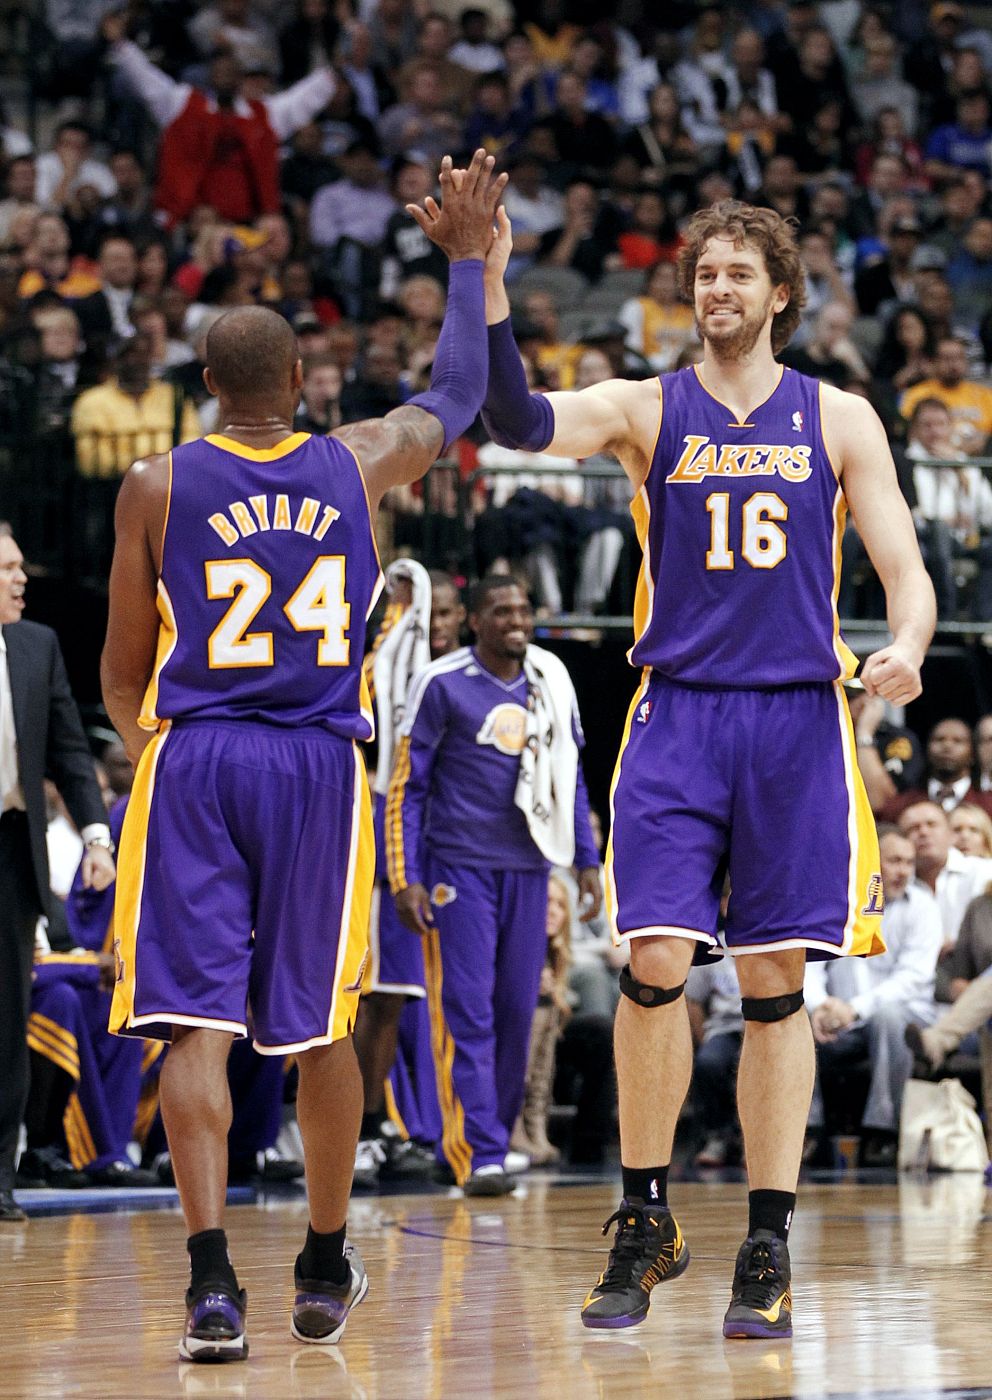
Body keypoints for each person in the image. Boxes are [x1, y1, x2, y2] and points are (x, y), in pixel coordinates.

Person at [474, 196, 934, 1338]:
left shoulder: (838, 417)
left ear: (779, 292)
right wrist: (485, 281)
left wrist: (908, 650)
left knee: (776, 975)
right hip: (675, 711)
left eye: (737, 274)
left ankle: (766, 1235)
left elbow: (903, 567)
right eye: (704, 274)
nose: (715, 289)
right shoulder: (643, 406)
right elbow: (516, 418)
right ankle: (644, 1215)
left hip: (792, 720)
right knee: (653, 954)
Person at [99, 150, 504, 1361]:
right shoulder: (357, 459)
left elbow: (121, 673)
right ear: (301, 380)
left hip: (198, 756)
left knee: (191, 1024)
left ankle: (212, 1280)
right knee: (323, 1023)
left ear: (206, 381)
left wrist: (156, 754)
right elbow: (458, 394)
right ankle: (324, 1256)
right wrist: (468, 259)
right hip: (320, 765)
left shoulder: (153, 483)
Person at [386, 575, 602, 1197]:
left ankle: (496, 1141)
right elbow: (408, 787)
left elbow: (571, 777)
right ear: (474, 621)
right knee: (467, 1010)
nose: (517, 619)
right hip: (459, 871)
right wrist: (407, 878)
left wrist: (585, 861)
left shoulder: (551, 681)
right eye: (502, 610)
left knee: (517, 1012)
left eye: (524, 609)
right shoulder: (441, 683)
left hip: (532, 869)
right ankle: (476, 1149)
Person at [0, 523, 115, 1223]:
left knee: (9, 1017)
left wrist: (97, 835)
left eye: (19, 565)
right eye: (7, 569)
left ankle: (0, 1181)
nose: (21, 579)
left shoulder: (36, 646)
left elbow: (72, 752)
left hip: (12, 847)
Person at [352, 562, 464, 1189]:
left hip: (428, 840)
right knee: (372, 996)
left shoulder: (453, 682)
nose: (440, 625)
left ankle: (390, 1122)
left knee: (402, 998)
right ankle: (363, 1130)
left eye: (450, 614)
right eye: (432, 613)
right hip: (375, 826)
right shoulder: (389, 669)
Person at [805, 826, 943, 1168]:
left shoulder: (922, 905)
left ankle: (883, 1132)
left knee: (889, 1017)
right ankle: (808, 1129)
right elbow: (811, 965)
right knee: (794, 1018)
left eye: (909, 862)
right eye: (894, 861)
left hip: (906, 1014)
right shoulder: (837, 902)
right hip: (840, 1017)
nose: (903, 871)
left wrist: (855, 1008)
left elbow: (913, 978)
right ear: (870, 860)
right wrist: (819, 1007)